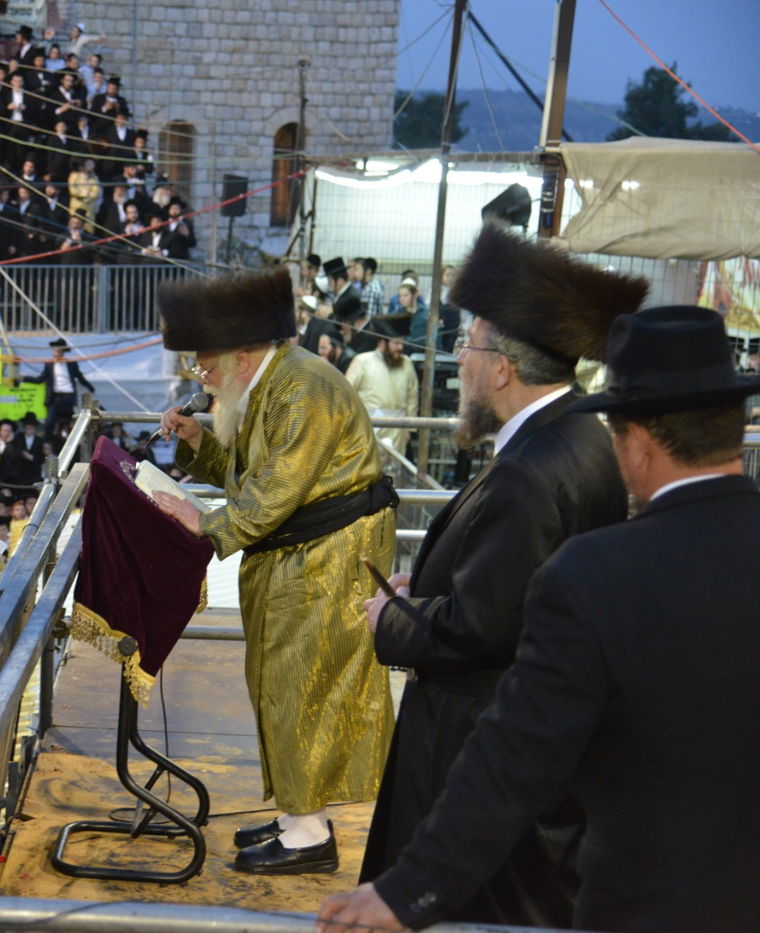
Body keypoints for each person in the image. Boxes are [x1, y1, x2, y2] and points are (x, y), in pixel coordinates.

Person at [320, 304, 760, 932]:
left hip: (639, 901)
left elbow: (515, 756)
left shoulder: (596, 575)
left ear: (634, 439)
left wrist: (409, 890)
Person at [356, 222, 646, 925]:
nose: (458, 363)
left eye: (467, 345)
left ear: (502, 367)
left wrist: (392, 617)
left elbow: (482, 628)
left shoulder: (529, 471)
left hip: (479, 755)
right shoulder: (582, 435)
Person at [151, 269, 397, 875]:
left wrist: (204, 525)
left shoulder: (302, 387)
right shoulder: (272, 383)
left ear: (241, 350)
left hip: (327, 559)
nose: (199, 375)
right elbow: (248, 468)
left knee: (301, 686)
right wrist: (195, 443)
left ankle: (309, 835)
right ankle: (296, 814)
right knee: (279, 682)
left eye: (203, 363)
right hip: (299, 555)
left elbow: (278, 484)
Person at [344, 316, 418, 457]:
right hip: (368, 428)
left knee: (394, 473)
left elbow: (412, 397)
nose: (400, 347)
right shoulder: (362, 361)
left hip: (399, 430)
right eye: (396, 343)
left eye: (402, 343)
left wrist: (409, 429)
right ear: (383, 342)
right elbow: (346, 395)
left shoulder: (407, 363)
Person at [23, 337, 95, 441]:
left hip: (68, 396)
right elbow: (40, 379)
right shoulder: (49, 364)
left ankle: (74, 441)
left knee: (72, 422)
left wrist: (90, 388)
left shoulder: (71, 364)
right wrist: (25, 378)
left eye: (58, 350)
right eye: (55, 351)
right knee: (49, 422)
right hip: (55, 397)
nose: (56, 353)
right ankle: (48, 443)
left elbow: (80, 377)